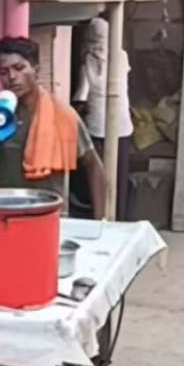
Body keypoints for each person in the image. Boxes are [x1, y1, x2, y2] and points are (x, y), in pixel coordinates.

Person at [0, 36, 107, 217]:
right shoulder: (1, 115)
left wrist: (102, 221)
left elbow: (93, 165)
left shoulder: (62, 116)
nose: (12, 77)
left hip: (49, 217)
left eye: (19, 68)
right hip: (5, 215)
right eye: (4, 72)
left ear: (36, 70)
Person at [74, 16, 133, 220]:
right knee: (119, 177)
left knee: (98, 176)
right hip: (122, 124)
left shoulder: (89, 61)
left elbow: (81, 96)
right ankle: (120, 217)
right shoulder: (121, 55)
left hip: (97, 126)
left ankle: (100, 216)